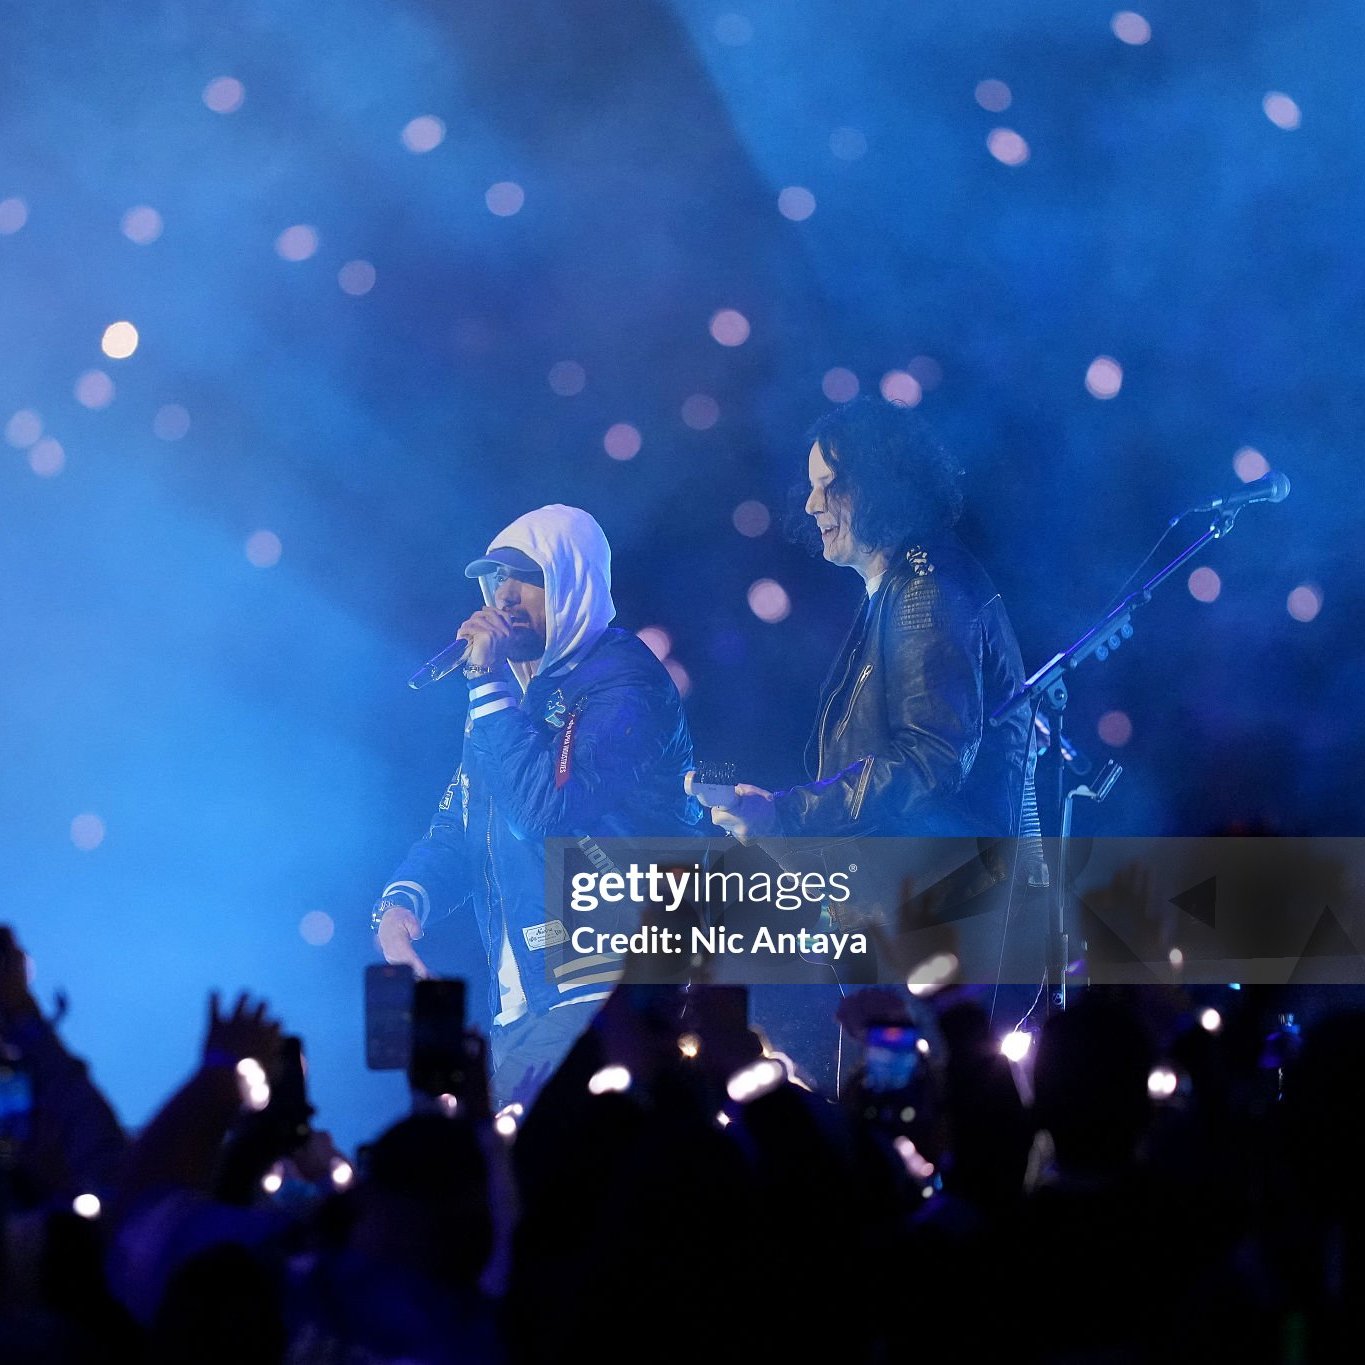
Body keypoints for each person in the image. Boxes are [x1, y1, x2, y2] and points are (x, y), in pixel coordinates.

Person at [373, 505, 700, 1109]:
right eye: (495, 578)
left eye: (526, 577)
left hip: (603, 1001)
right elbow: (460, 823)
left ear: (572, 580)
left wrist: (488, 686)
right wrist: (401, 906)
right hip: (529, 1009)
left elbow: (546, 811)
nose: (504, 595)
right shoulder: (513, 699)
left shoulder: (623, 684)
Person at [709, 396, 1032, 844]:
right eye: (811, 486)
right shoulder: (899, 588)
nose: (811, 505)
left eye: (830, 484)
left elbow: (930, 759)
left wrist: (788, 814)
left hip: (936, 900)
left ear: (881, 484)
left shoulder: (927, 592)